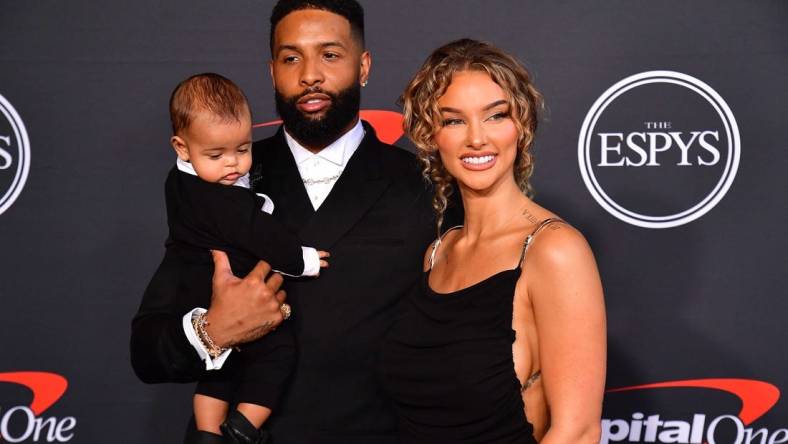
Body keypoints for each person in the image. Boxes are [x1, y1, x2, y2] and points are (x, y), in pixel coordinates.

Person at [130, 1, 437, 443]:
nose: (309, 74)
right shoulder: (215, 182)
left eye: (330, 55)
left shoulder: (423, 185)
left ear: (363, 66)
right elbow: (148, 352)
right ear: (273, 71)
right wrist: (214, 329)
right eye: (291, 57)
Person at [380, 39, 607, 443]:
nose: (477, 139)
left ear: (522, 126)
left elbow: (578, 432)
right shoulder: (437, 252)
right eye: (453, 121)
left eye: (495, 116)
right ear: (430, 136)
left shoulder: (554, 250)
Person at [161, 72, 331, 442]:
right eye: (216, 154)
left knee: (220, 366)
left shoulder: (179, 182)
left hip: (198, 298)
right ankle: (244, 426)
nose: (233, 165)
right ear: (181, 146)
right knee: (278, 353)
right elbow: (262, 235)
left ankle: (208, 433)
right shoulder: (224, 200)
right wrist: (305, 260)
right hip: (230, 292)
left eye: (242, 149)